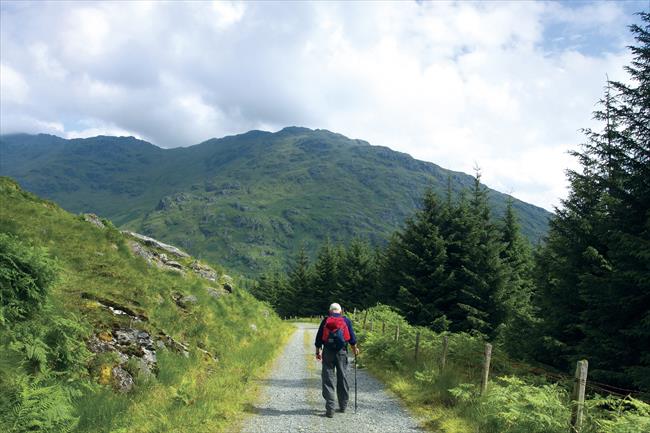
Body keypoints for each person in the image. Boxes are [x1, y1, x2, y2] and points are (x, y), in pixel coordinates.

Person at [314, 302, 359, 418]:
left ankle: (330, 409)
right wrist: (355, 350)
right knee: (342, 377)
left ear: (330, 311)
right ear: (341, 311)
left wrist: (317, 351)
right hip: (342, 352)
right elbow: (352, 339)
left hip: (328, 352)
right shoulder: (346, 321)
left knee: (328, 379)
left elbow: (319, 338)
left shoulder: (326, 320)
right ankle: (343, 406)